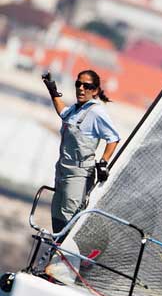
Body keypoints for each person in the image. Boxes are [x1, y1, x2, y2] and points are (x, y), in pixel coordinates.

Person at [42, 70, 120, 233]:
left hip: (79, 174)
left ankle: (64, 250)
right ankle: (57, 245)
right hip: (63, 169)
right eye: (78, 84)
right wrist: (52, 90)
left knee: (69, 215)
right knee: (57, 213)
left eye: (87, 86)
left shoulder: (96, 112)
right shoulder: (76, 109)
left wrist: (104, 162)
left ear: (96, 91)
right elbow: (62, 112)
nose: (81, 89)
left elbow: (113, 138)